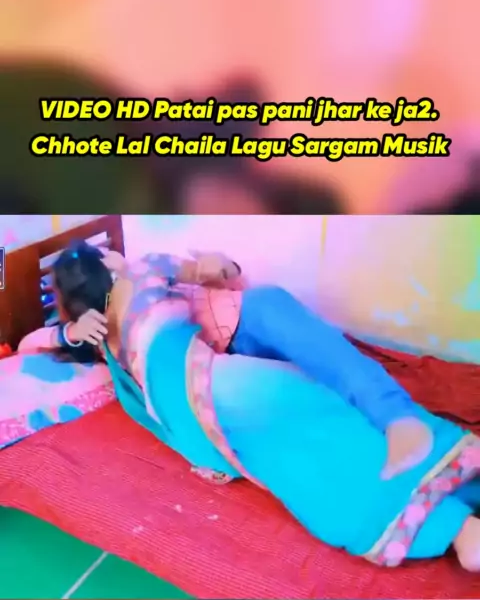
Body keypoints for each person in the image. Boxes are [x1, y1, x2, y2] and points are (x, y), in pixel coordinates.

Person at [26, 241, 480, 570]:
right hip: (208, 378)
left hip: (189, 420)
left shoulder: (105, 341)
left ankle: (445, 503)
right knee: (323, 419)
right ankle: (454, 524)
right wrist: (211, 265)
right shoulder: (143, 269)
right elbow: (209, 270)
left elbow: (31, 342)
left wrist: (67, 331)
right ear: (105, 264)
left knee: (294, 452)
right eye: (106, 253)